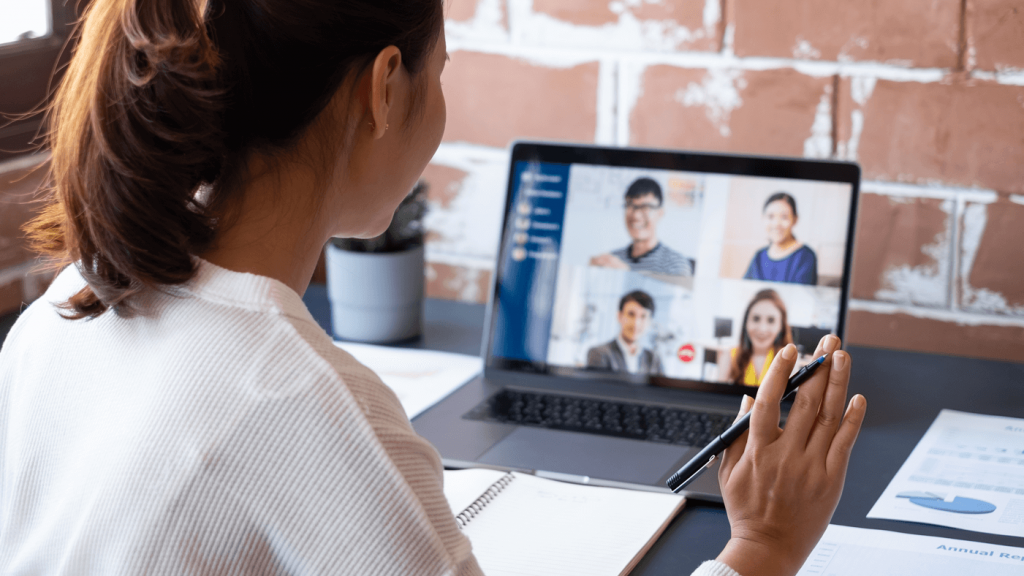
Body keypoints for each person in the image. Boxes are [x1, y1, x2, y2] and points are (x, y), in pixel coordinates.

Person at [0, 1, 866, 575]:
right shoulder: (300, 408)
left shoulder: (66, 307)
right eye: (440, 70)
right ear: (383, 88)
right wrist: (762, 547)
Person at [589, 177, 694, 276]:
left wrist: (625, 274)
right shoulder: (612, 259)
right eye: (630, 206)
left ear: (660, 213)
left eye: (645, 207)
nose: (636, 215)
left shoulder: (676, 264)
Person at [721, 289, 794, 386]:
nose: (762, 329)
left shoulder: (788, 360)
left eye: (771, 320)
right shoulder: (730, 356)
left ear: (781, 326)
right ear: (746, 322)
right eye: (756, 319)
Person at [744, 192, 818, 285]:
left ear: (795, 219)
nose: (776, 224)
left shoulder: (805, 256)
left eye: (784, 217)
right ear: (763, 218)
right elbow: (744, 290)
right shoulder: (759, 256)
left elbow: (800, 297)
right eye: (770, 216)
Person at [586, 290, 663, 376]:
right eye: (631, 314)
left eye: (643, 316)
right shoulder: (599, 354)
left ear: (649, 322)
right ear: (619, 316)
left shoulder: (654, 360)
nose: (636, 323)